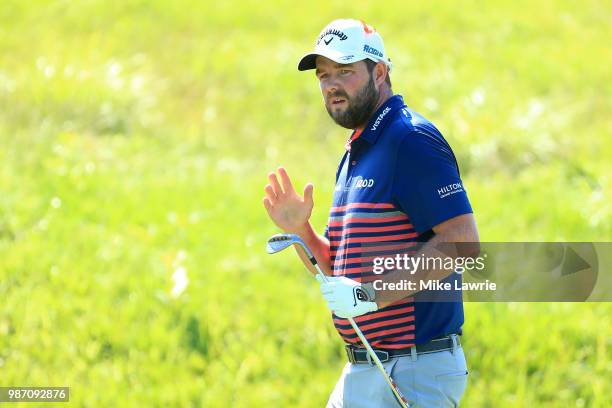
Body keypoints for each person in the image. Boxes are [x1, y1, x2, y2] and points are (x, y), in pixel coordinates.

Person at [263, 19, 479, 407]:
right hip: (365, 369)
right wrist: (303, 234)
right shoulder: (357, 151)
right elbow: (340, 273)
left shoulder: (409, 140)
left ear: (379, 72)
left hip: (414, 370)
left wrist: (369, 296)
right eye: (323, 74)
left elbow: (462, 243)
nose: (331, 84)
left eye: (344, 71)